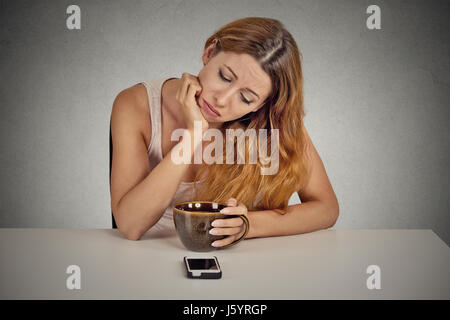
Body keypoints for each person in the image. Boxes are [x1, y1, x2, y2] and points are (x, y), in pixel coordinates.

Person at [110, 17, 339, 244]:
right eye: (224, 77)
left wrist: (246, 225)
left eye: (246, 98)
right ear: (209, 53)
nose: (222, 100)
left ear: (261, 105)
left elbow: (326, 208)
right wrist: (193, 134)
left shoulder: (272, 123)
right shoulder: (136, 104)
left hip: (236, 263)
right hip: (147, 259)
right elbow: (131, 225)